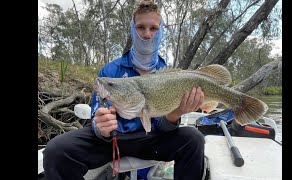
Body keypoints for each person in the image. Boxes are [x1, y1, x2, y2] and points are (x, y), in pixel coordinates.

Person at [43, 0, 205, 179]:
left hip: (151, 140)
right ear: (132, 30)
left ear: (161, 31)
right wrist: (101, 127)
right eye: (141, 27)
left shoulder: (168, 75)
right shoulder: (110, 72)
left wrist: (175, 115)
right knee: (56, 151)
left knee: (193, 138)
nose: (147, 34)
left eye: (153, 28)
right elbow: (97, 117)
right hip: (112, 139)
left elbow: (163, 128)